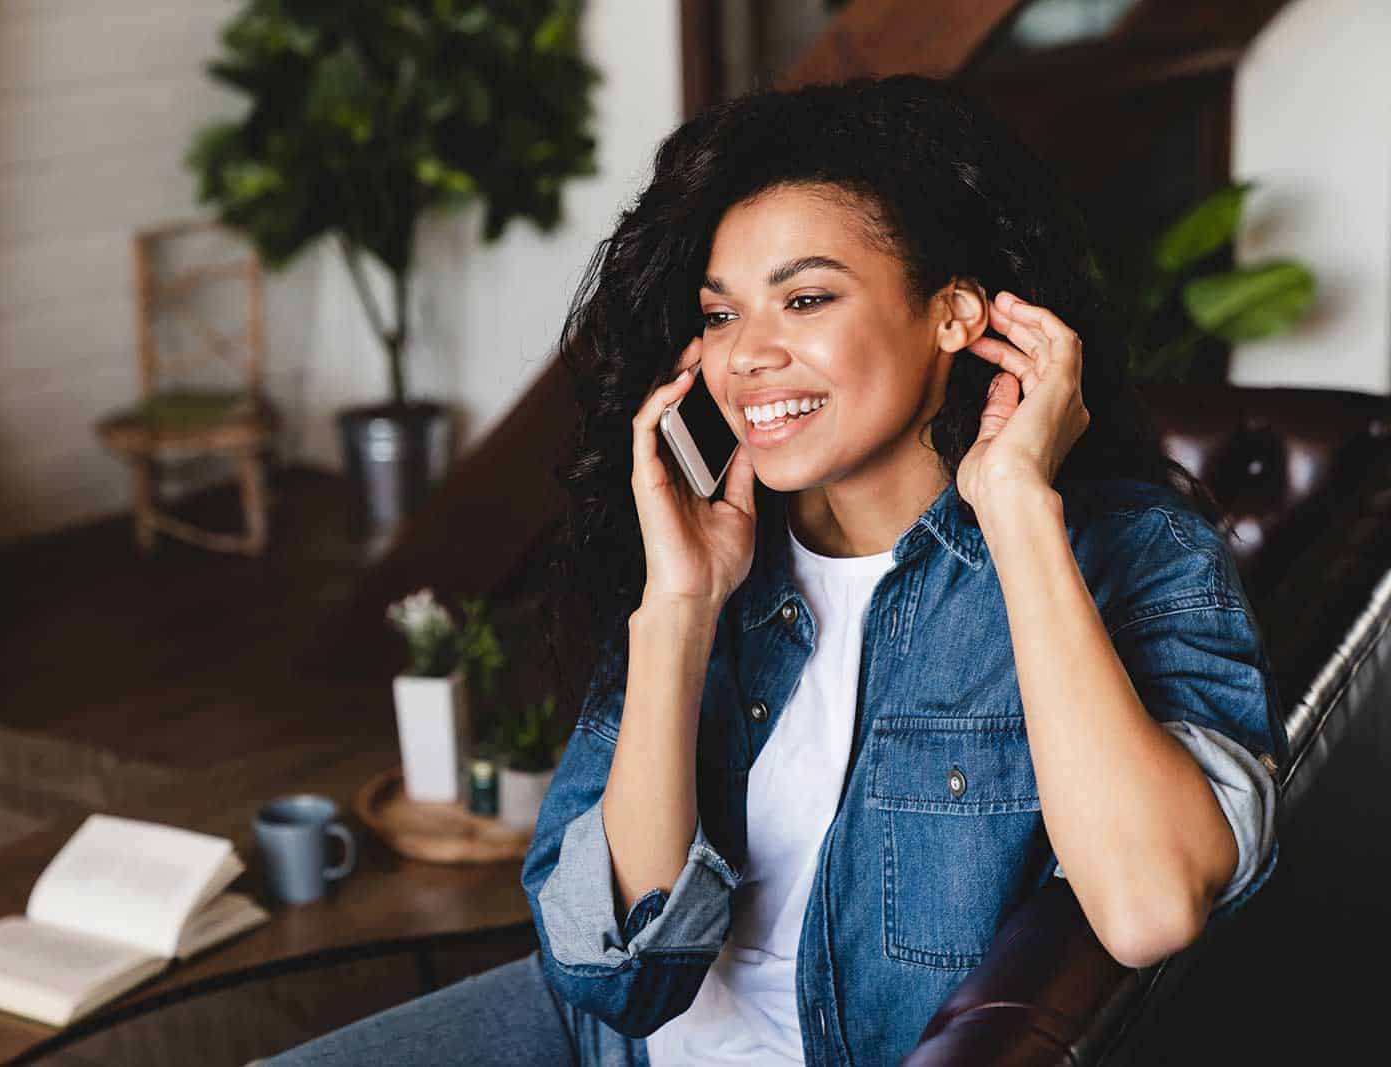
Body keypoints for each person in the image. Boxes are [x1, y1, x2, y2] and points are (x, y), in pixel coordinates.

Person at [261, 73, 1283, 1067]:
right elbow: (613, 972)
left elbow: (1150, 906)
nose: (745, 354)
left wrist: (1015, 508)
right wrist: (678, 607)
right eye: (719, 313)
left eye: (804, 298)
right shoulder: (720, 550)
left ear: (955, 315)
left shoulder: (1130, 552)